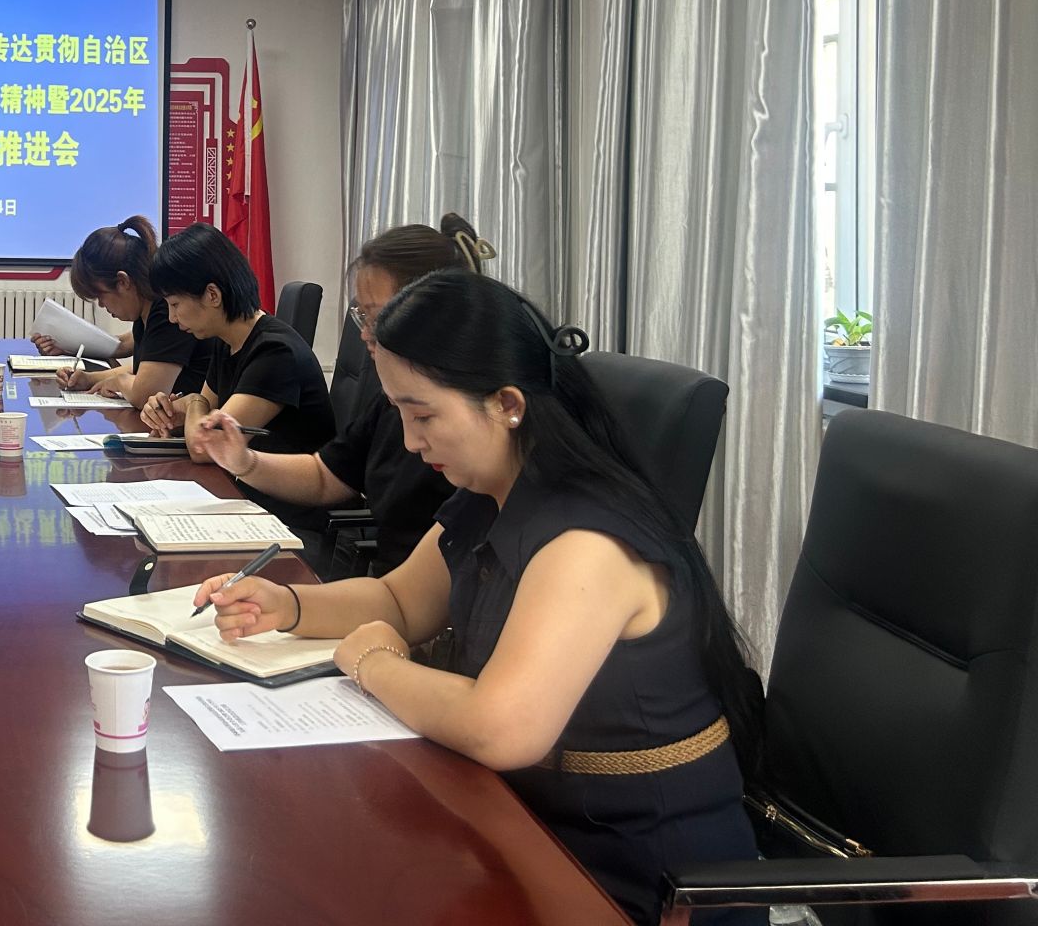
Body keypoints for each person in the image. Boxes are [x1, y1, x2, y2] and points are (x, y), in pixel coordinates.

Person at [195, 271, 760, 925]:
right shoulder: (491, 493)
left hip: (631, 878)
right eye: (399, 413)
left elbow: (500, 728)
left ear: (507, 404)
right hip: (526, 823)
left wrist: (373, 664)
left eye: (423, 415)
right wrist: (286, 605)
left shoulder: (588, 541)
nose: (410, 441)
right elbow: (398, 601)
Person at [196, 214, 487, 575]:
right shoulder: (391, 402)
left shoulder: (477, 429)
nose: (365, 334)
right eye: (361, 316)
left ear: (436, 313)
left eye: (376, 317)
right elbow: (325, 476)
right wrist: (244, 462)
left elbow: (412, 596)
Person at [139, 223, 333, 464]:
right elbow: (207, 415)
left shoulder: (274, 352)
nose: (171, 317)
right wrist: (167, 414)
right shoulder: (228, 342)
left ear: (212, 295)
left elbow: (207, 448)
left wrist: (193, 401)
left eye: (175, 304)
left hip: (281, 488)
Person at [36, 216, 211, 408]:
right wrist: (87, 379)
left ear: (123, 282)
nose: (101, 305)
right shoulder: (145, 311)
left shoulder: (166, 312)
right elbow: (140, 368)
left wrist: (119, 381)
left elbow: (145, 393)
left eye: (101, 295)